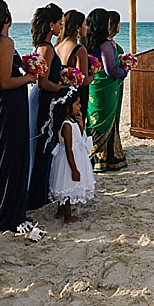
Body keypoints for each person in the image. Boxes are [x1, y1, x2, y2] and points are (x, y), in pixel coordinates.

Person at [0, 0, 39, 233]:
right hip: (8, 100)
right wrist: (29, 78)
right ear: (5, 17)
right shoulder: (4, 42)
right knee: (9, 150)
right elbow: (5, 82)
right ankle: (5, 210)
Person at [27, 3, 66, 211]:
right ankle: (36, 195)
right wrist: (63, 86)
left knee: (43, 145)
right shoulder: (46, 49)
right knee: (42, 144)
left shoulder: (42, 46)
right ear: (51, 25)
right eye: (60, 23)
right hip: (43, 99)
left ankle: (40, 190)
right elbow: (42, 82)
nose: (62, 27)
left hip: (43, 98)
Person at [84, 8, 129, 172]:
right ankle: (105, 157)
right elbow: (110, 70)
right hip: (106, 87)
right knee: (106, 119)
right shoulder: (105, 44)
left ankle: (91, 153)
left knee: (93, 117)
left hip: (92, 85)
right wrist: (125, 71)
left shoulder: (86, 42)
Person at [49, 88, 95, 223]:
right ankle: (68, 216)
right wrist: (74, 169)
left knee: (65, 184)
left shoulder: (72, 123)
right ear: (68, 107)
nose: (80, 106)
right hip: (70, 160)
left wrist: (81, 126)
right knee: (67, 185)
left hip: (75, 155)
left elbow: (79, 139)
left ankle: (61, 210)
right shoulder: (67, 126)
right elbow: (69, 149)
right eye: (77, 103)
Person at [56, 9, 96, 126]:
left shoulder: (57, 46)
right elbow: (82, 80)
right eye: (85, 24)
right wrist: (93, 74)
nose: (87, 28)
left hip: (61, 94)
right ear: (78, 28)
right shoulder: (79, 49)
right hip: (76, 97)